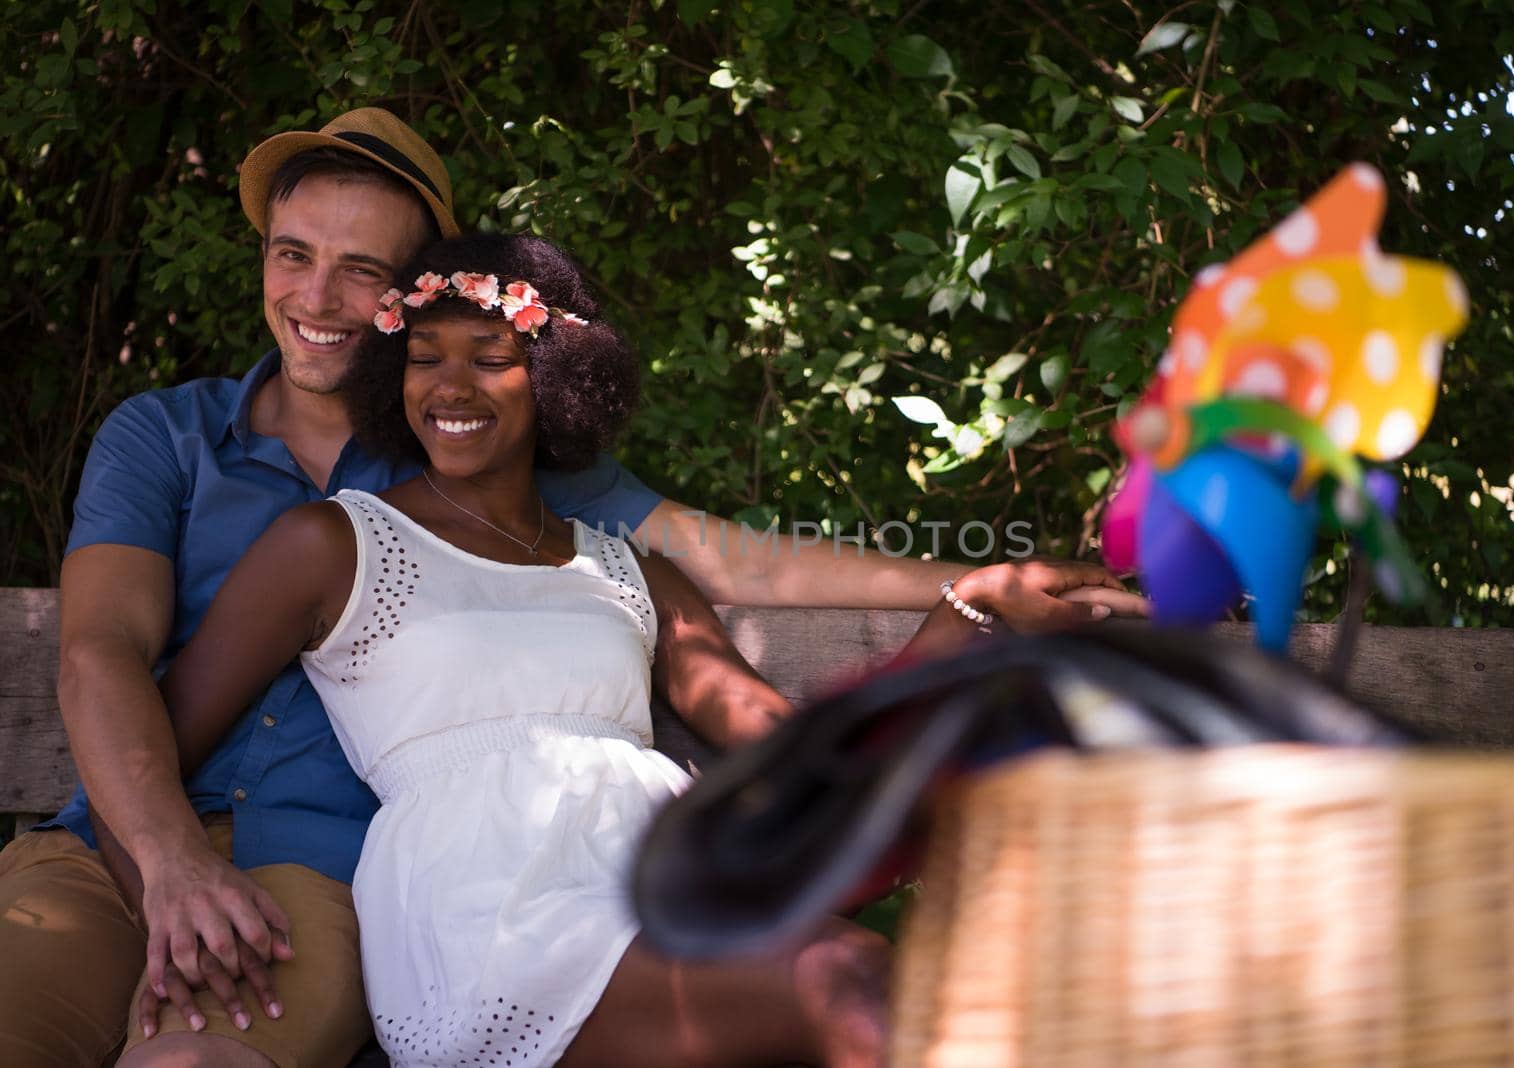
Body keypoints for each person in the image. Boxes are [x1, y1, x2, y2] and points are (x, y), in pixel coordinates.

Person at [0, 108, 1142, 1068]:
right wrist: (164, 871)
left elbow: (757, 625)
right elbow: (116, 663)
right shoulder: (248, 486)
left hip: (485, 876)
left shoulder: (579, 522)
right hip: (306, 870)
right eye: (294, 255)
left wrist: (969, 598)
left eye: (370, 275)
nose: (323, 297)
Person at [152, 231, 986, 1067]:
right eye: (424, 357)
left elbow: (774, 735)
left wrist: (965, 614)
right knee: (846, 973)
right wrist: (161, 880)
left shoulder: (629, 570)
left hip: (660, 879)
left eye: (489, 358)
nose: (450, 386)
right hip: (493, 906)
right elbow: (161, 733)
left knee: (897, 983)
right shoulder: (335, 542)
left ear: (551, 378)